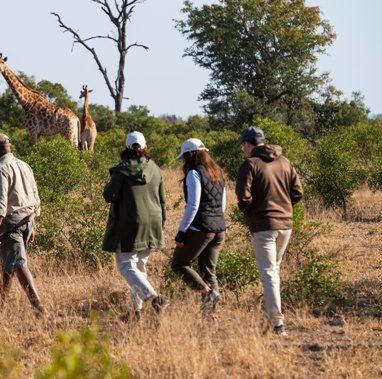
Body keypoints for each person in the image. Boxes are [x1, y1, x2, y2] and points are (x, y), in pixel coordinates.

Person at [236, 126, 303, 336]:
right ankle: (268, 319)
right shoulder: (284, 161)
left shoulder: (250, 164)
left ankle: (277, 324)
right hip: (286, 226)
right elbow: (298, 192)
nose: (243, 150)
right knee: (273, 271)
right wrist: (283, 207)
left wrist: (252, 212)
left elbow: (243, 197)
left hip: (264, 226)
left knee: (269, 274)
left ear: (248, 144)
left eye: (243, 146)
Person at [102, 131, 170, 320]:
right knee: (139, 266)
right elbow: (163, 200)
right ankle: (135, 311)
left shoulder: (122, 170)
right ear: (144, 147)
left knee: (125, 264)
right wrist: (161, 224)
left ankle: (154, 298)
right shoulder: (155, 168)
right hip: (153, 222)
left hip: (131, 223)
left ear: (126, 148)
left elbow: (109, 196)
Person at [0, 133, 44, 314]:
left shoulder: (0, 168)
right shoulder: (23, 165)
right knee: (7, 263)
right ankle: (1, 304)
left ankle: (38, 307)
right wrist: (33, 225)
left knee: (18, 263)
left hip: (11, 222)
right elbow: (35, 195)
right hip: (28, 218)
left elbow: (0, 203)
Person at [171, 138, 226, 316]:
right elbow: (223, 205)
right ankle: (210, 317)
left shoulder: (194, 173)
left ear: (190, 155)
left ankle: (209, 293)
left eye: (185, 157)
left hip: (201, 228)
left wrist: (182, 231)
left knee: (179, 264)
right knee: (209, 271)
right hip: (219, 229)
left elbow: (193, 205)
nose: (184, 161)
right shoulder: (218, 172)